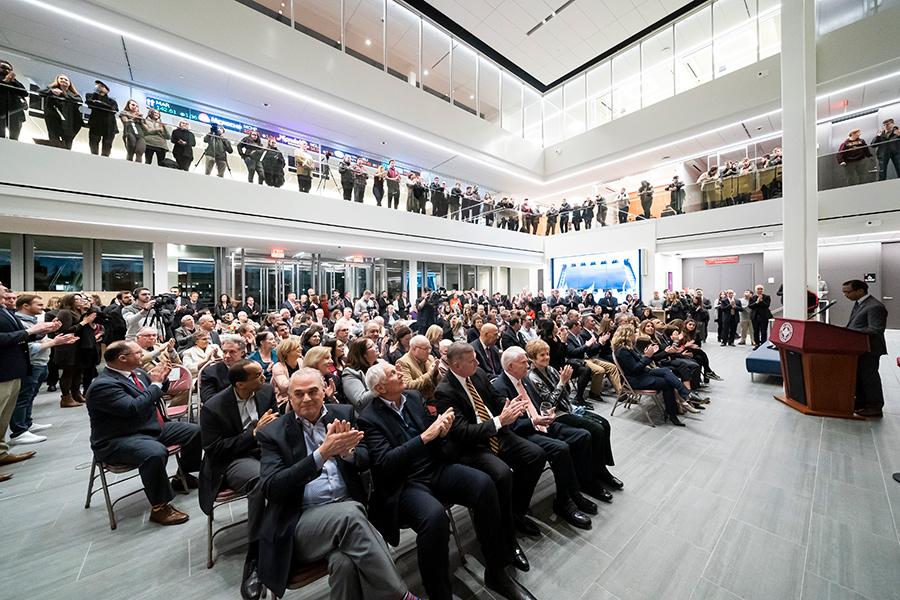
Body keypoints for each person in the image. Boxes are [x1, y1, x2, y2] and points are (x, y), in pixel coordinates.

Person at [359, 361, 535, 600]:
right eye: (393, 373)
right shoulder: (368, 418)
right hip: (406, 483)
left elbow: (434, 437)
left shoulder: (411, 397)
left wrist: (442, 431)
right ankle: (439, 593)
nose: (400, 373)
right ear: (380, 388)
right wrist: (425, 437)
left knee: (485, 484)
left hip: (435, 466)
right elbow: (385, 463)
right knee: (434, 519)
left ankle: (497, 570)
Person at [257, 367, 420, 600]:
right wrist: (321, 454)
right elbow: (273, 488)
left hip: (348, 513)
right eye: (299, 394)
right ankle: (401, 596)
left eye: (313, 391)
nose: (306, 399)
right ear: (289, 397)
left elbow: (366, 457)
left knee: (343, 563)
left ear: (324, 390)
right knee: (351, 514)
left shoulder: (343, 413)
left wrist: (348, 453)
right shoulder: (273, 433)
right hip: (301, 522)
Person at [433, 342, 547, 541]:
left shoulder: (478, 374)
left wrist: (509, 406)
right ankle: (505, 533)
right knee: (502, 475)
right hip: (473, 445)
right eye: (472, 360)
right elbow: (462, 432)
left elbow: (496, 398)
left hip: (496, 432)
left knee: (536, 455)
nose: (478, 362)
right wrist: (499, 421)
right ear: (457, 366)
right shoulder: (444, 391)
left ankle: (515, 512)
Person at [86, 341, 202, 525]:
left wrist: (162, 380)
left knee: (195, 431)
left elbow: (156, 393)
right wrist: (155, 384)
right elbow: (133, 408)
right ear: (123, 358)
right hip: (118, 438)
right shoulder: (103, 385)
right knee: (154, 453)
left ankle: (182, 476)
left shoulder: (138, 373)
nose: (143, 355)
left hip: (148, 427)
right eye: (138, 353)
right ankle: (159, 507)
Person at [199, 359, 277, 600]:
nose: (264, 377)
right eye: (257, 375)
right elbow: (215, 449)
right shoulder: (214, 407)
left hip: (266, 449)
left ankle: (292, 531)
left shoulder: (265, 392)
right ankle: (255, 556)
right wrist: (252, 433)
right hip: (234, 458)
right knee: (260, 481)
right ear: (240, 383)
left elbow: (274, 424)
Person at [526, 339, 622, 498]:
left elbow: (567, 393)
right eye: (541, 355)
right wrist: (562, 382)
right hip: (556, 416)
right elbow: (548, 404)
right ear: (532, 358)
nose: (546, 357)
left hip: (568, 409)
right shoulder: (532, 377)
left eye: (547, 354)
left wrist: (565, 382)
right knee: (596, 430)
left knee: (604, 424)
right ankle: (593, 474)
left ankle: (600, 468)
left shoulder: (551, 370)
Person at [0, 286, 63, 476]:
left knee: (4, 417)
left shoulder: (5, 311)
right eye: (2, 288)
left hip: (14, 368)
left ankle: (2, 453)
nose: (6, 290)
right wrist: (29, 332)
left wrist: (42, 330)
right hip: (2, 370)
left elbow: (22, 336)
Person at [7, 295, 75, 447]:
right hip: (31, 363)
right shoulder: (22, 322)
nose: (42, 307)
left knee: (30, 396)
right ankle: (19, 430)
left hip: (41, 362)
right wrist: (54, 342)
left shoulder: (33, 321)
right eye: (38, 304)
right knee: (23, 398)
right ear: (25, 306)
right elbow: (29, 347)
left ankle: (27, 423)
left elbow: (37, 340)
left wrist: (54, 334)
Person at [842, 279, 887, 418]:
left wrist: (851, 332)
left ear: (860, 291)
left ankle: (874, 407)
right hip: (858, 348)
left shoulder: (875, 306)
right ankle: (861, 403)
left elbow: (876, 329)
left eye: (847, 292)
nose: (845, 295)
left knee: (869, 378)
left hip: (870, 349)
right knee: (860, 376)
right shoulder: (860, 304)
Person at [40, 74, 82, 149]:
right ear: (57, 80)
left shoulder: (74, 95)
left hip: (69, 122)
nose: (63, 80)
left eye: (66, 80)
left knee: (68, 142)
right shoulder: (51, 89)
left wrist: (63, 94)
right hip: (53, 119)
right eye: (61, 78)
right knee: (54, 138)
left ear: (69, 83)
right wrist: (51, 91)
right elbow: (40, 92)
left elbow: (79, 101)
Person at [200, 335, 247, 402]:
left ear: (242, 353)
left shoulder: (251, 367)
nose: (227, 356)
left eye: (232, 352)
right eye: (224, 352)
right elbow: (208, 399)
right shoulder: (210, 372)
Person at [84, 80, 119, 156]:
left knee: (107, 145)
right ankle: (94, 159)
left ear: (107, 90)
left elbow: (114, 109)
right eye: (98, 85)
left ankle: (104, 161)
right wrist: (96, 96)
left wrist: (99, 104)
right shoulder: (90, 95)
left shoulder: (112, 101)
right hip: (95, 123)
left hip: (109, 125)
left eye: (102, 86)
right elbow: (89, 103)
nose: (99, 87)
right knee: (93, 143)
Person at [0, 60, 28, 140]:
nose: (6, 70)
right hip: (1, 110)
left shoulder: (15, 81)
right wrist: (5, 81)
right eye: (3, 67)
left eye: (9, 69)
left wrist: (13, 81)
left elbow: (25, 93)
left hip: (15, 111)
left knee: (15, 136)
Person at [747, 284, 772, 349]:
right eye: (758, 289)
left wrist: (762, 301)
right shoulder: (752, 298)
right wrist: (757, 302)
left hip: (764, 316)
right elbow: (750, 306)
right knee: (756, 331)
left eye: (761, 289)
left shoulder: (767, 297)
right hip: (755, 317)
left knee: (763, 331)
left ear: (763, 290)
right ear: (756, 290)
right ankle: (757, 344)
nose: (760, 290)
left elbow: (767, 305)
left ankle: (763, 344)